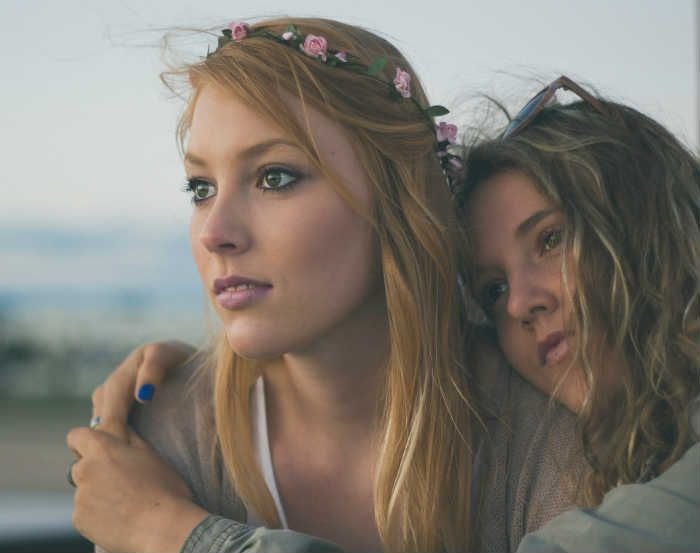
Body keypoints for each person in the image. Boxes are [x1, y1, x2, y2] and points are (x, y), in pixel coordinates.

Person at [69, 42, 700, 553]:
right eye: (200, 188)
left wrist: (172, 534)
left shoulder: (552, 440)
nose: (214, 232)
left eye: (276, 176)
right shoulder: (165, 430)